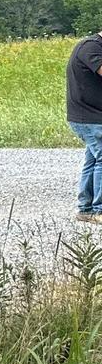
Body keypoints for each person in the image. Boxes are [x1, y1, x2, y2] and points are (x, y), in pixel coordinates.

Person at [71, 29, 102, 222]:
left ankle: (85, 209)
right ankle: (99, 210)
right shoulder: (90, 47)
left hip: (92, 116)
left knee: (93, 160)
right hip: (88, 116)